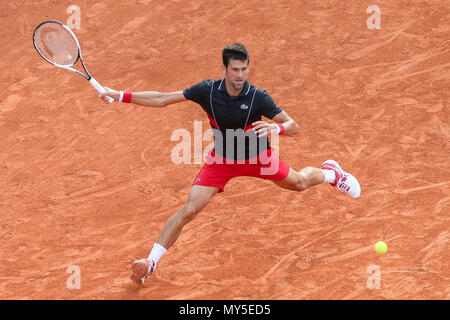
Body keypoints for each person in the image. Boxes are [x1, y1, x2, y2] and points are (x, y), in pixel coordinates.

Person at [99, 43, 361, 286]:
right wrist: (120, 95)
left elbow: (294, 126)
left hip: (258, 158)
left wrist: (275, 127)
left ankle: (331, 174)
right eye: (235, 69)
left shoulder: (258, 96)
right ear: (224, 69)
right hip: (222, 160)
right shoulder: (207, 91)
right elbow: (163, 98)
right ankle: (150, 263)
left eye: (244, 68)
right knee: (190, 209)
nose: (240, 74)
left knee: (300, 183)